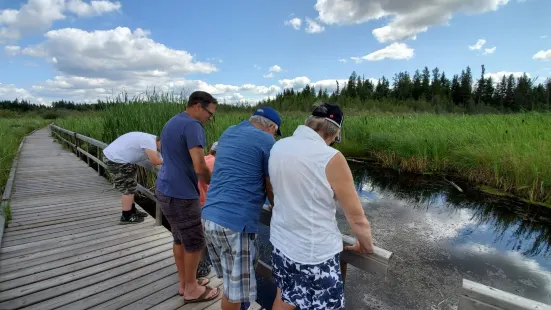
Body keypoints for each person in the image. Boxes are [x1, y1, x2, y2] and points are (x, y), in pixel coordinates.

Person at [268, 102, 375, 310]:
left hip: (281, 244)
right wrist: (366, 245)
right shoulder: (331, 157)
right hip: (315, 254)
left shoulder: (279, 146)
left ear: (309, 123)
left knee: (284, 297)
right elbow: (356, 218)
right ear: (335, 133)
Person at [201, 107, 281, 310]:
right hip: (235, 223)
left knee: (231, 284)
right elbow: (270, 182)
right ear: (271, 127)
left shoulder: (229, 132)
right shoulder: (267, 140)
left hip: (209, 216)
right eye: (275, 131)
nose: (274, 135)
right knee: (234, 293)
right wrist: (276, 205)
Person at [155, 90, 220, 303]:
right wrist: (215, 183)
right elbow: (200, 166)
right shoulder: (193, 125)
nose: (210, 119)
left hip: (165, 189)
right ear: (199, 107)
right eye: (210, 113)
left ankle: (184, 282)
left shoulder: (172, 121)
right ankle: (192, 289)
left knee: (179, 238)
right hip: (182, 193)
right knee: (194, 241)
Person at [102, 132, 163, 224]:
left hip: (118, 158)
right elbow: (155, 160)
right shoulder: (149, 141)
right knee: (128, 188)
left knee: (132, 186)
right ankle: (126, 216)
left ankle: (132, 210)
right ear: (162, 141)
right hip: (116, 160)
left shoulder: (152, 139)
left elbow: (159, 156)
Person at [196, 141, 218, 278]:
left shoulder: (204, 159)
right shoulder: (217, 163)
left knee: (196, 234)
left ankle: (200, 263)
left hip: (193, 200)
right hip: (204, 203)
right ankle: (201, 265)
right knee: (202, 236)